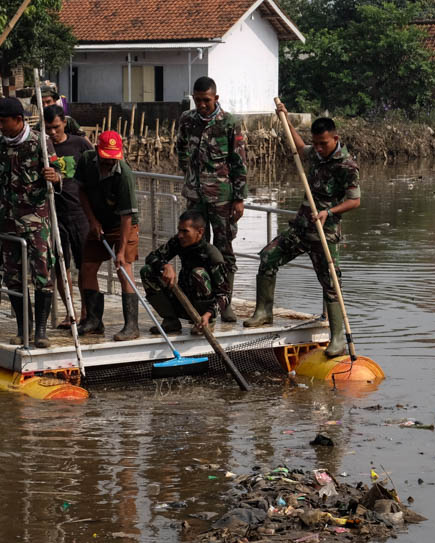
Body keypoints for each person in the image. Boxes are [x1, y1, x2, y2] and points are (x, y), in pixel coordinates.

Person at [245, 104, 360, 358]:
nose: (318, 148)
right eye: (316, 143)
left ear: (335, 139)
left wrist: (328, 212)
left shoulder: (347, 166)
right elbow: (300, 148)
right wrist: (285, 120)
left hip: (324, 231)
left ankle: (338, 338)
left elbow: (355, 201)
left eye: (323, 144)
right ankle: (264, 312)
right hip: (301, 227)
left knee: (331, 283)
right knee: (268, 257)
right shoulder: (316, 155)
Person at [0, 96, 56, 348]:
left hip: (35, 219)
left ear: (19, 120)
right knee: (12, 275)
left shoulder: (40, 144)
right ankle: (24, 328)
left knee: (42, 272)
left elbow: (62, 172)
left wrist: (56, 176)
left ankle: (41, 330)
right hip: (8, 220)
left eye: (3, 121)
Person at [174, 76, 247, 322]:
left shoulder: (229, 123)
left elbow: (239, 162)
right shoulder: (187, 120)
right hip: (195, 197)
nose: (202, 105)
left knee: (224, 250)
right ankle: (199, 302)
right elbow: (181, 150)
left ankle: (224, 303)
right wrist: (190, 175)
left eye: (206, 100)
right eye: (197, 100)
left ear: (216, 98)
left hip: (223, 198)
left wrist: (239, 198)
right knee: (195, 249)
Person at [74, 130, 140, 341]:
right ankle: (94, 320)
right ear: (96, 150)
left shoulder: (124, 176)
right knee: (88, 267)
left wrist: (120, 251)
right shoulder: (86, 161)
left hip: (122, 225)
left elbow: (127, 218)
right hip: (99, 222)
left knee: (124, 269)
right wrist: (91, 220)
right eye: (105, 159)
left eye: (113, 159)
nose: (108, 163)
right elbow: (82, 191)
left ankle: (131, 325)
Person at [43, 104, 93, 329]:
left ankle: (85, 311)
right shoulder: (42, 147)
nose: (53, 133)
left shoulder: (79, 144)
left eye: (56, 127)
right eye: (48, 129)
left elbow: (95, 169)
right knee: (60, 266)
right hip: (54, 212)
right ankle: (69, 310)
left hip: (80, 212)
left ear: (64, 122)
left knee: (85, 265)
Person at [140, 211, 229, 334]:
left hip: (205, 310)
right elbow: (151, 257)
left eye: (185, 231)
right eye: (179, 230)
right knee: (147, 271)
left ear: (200, 232)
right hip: (181, 300)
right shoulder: (178, 242)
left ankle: (206, 322)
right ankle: (171, 320)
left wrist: (209, 314)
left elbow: (224, 295)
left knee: (198, 273)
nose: (180, 235)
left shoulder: (212, 254)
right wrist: (165, 266)